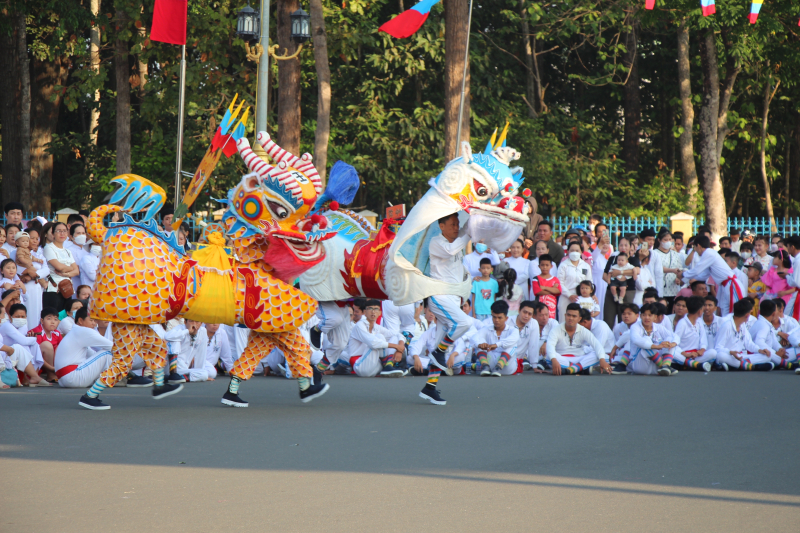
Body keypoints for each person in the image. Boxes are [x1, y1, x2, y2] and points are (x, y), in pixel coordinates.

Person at [58, 308, 150, 390]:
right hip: (72, 377)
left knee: (104, 354)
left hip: (66, 379)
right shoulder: (83, 331)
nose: (94, 324)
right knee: (107, 353)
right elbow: (112, 347)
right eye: (91, 320)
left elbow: (93, 355)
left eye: (95, 320)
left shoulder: (76, 332)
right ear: (81, 320)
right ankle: (129, 377)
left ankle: (121, 377)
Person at [681, 236, 743, 315]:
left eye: (695, 247)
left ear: (699, 246)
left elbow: (696, 270)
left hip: (731, 284)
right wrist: (684, 279)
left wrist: (683, 274)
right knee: (725, 312)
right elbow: (704, 275)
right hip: (724, 285)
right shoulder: (709, 254)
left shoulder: (709, 253)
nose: (695, 250)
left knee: (736, 312)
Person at [545, 303, 611, 375]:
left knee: (604, 357)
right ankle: (580, 369)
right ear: (565, 315)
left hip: (580, 359)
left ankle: (571, 369)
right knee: (549, 357)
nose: (571, 318)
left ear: (579, 319)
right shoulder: (556, 330)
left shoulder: (583, 330)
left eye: (574, 316)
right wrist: (554, 360)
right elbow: (550, 346)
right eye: (569, 315)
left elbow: (597, 345)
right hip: (562, 359)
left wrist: (602, 360)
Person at [347, 299, 406, 377]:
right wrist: (396, 346)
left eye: (376, 309)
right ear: (364, 312)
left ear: (380, 313)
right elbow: (373, 343)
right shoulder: (360, 325)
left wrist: (400, 349)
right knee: (379, 337)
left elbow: (398, 335)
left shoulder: (377, 327)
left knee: (394, 337)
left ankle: (389, 366)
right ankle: (387, 365)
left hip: (375, 365)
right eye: (370, 308)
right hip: (361, 365)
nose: (373, 312)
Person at [714, 299, 773, 371]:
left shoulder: (743, 326)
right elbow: (718, 348)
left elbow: (749, 344)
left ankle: (735, 365)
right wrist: (730, 352)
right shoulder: (727, 326)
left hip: (741, 356)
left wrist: (760, 350)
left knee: (767, 357)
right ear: (747, 315)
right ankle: (752, 367)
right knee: (720, 356)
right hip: (730, 355)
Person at [626, 303, 678, 376]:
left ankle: (665, 366)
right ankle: (664, 366)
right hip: (640, 364)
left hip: (655, 365)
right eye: (644, 315)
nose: (647, 318)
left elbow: (675, 336)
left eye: (650, 315)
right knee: (646, 341)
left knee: (669, 339)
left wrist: (673, 343)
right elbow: (636, 340)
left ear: (655, 317)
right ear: (640, 316)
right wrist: (656, 346)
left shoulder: (659, 327)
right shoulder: (635, 327)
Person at [473, 301, 520, 376]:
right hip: (490, 365)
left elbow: (514, 339)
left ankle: (499, 366)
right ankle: (485, 366)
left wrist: (496, 345)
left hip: (507, 367)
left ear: (506, 318)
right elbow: (474, 337)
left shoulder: (513, 330)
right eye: (494, 317)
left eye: (499, 317)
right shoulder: (486, 328)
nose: (496, 320)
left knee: (512, 344)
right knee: (478, 343)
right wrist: (480, 345)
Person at [671, 296, 715, 371]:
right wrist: (687, 354)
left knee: (713, 353)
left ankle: (690, 364)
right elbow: (675, 343)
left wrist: (702, 350)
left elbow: (703, 340)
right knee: (672, 352)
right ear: (699, 311)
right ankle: (695, 364)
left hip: (696, 355)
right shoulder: (682, 323)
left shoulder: (699, 321)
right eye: (702, 308)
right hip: (684, 355)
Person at [43, 222, 79, 311]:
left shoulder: (67, 251)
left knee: (65, 317)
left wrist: (65, 274)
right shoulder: (49, 248)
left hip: (67, 289)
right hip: (54, 289)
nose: (62, 233)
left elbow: (77, 271)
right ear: (53, 233)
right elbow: (59, 267)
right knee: (54, 317)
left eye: (64, 231)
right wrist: (70, 269)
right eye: (59, 231)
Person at [557, 241, 592, 321]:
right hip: (566, 297)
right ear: (568, 251)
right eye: (572, 250)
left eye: (577, 250)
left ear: (581, 252)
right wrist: (569, 295)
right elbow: (559, 282)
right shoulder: (563, 265)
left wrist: (591, 295)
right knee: (564, 321)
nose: (574, 253)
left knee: (581, 321)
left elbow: (589, 282)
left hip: (582, 298)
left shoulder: (586, 266)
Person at [26, 307, 62, 382]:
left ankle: (56, 373)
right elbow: (36, 355)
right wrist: (53, 369)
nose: (53, 322)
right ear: (42, 321)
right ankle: (51, 375)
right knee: (47, 345)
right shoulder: (36, 332)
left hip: (54, 365)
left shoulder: (57, 333)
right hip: (38, 365)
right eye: (49, 319)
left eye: (55, 319)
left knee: (61, 347)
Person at [654, 231, 683, 310]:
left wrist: (678, 278)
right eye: (665, 240)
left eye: (670, 239)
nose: (668, 242)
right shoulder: (655, 253)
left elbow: (679, 268)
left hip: (673, 288)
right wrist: (672, 270)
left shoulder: (674, 254)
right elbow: (658, 268)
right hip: (661, 288)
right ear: (659, 240)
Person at [530, 254, 560, 320]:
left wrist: (545, 287)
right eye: (542, 265)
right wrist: (552, 289)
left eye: (547, 265)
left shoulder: (555, 279)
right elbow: (538, 291)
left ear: (551, 266)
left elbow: (558, 291)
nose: (545, 267)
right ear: (539, 266)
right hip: (539, 306)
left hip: (552, 307)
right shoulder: (536, 278)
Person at [532, 301, 558, 372]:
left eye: (546, 314)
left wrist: (546, 342)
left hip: (546, 353)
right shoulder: (530, 324)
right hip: (532, 353)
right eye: (541, 315)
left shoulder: (553, 323)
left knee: (551, 344)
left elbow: (556, 336)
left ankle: (545, 362)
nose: (545, 318)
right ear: (534, 316)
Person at [514, 301, 539, 370]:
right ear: (519, 310)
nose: (526, 316)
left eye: (529, 314)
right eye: (524, 312)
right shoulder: (508, 321)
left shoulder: (533, 323)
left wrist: (535, 366)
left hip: (518, 360)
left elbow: (533, 345)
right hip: (503, 357)